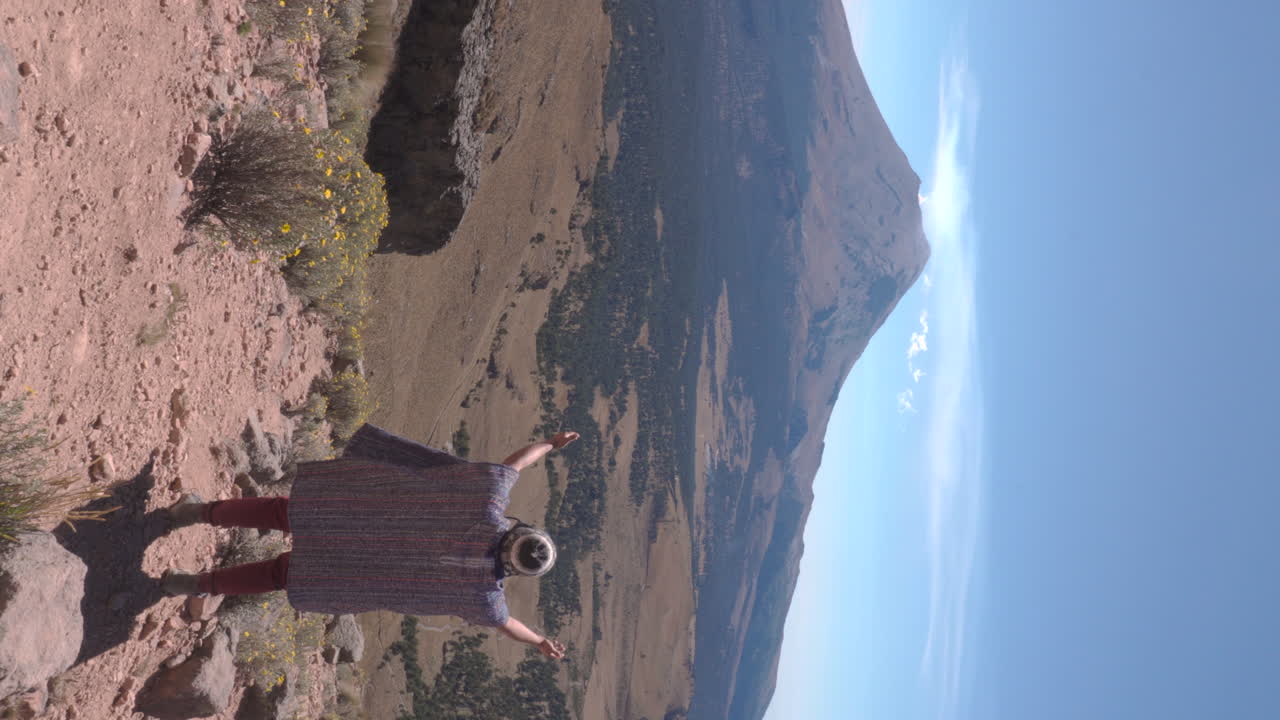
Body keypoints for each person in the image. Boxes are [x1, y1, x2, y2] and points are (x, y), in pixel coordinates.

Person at [159, 423, 577, 660]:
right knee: (277, 575)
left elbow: (515, 465)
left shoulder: (488, 498)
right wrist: (540, 641)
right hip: (356, 573)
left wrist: (550, 444)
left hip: (356, 513)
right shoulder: (482, 597)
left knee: (280, 513)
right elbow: (509, 627)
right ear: (517, 569)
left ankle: (193, 514)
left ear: (521, 532)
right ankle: (192, 585)